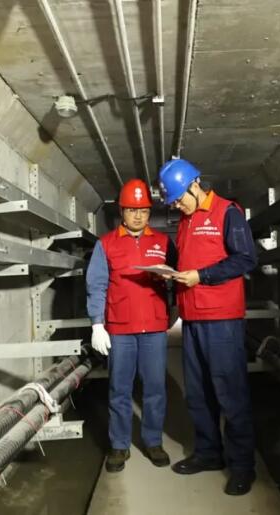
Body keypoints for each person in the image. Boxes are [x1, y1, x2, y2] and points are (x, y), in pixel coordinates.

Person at [158, 159, 258, 496]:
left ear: (194, 184)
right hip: (193, 319)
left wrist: (201, 276)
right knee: (198, 393)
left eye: (178, 199)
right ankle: (209, 453)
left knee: (230, 393)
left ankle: (242, 466)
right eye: (172, 202)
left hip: (222, 320)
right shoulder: (186, 221)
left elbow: (246, 258)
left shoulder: (227, 212)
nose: (176, 205)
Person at [86, 178, 178, 473]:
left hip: (153, 327)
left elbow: (178, 279)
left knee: (155, 388)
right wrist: (97, 324)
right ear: (122, 211)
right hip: (120, 328)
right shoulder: (106, 244)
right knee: (120, 388)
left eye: (144, 210)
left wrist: (171, 295)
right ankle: (119, 445)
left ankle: (153, 441)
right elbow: (97, 285)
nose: (138, 216)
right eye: (132, 210)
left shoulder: (163, 242)